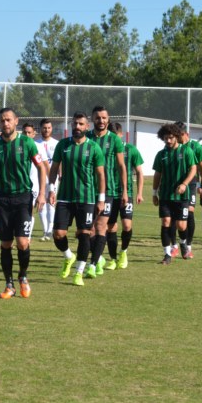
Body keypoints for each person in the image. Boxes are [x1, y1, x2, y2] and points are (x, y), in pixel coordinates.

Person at [0, 108, 47, 298]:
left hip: (23, 198)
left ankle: (23, 276)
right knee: (5, 244)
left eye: (9, 120)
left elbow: (42, 168)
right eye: (2, 120)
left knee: (22, 242)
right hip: (2, 199)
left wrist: (42, 193)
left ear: (16, 121)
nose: (5, 124)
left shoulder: (27, 143)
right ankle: (9, 284)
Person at [48, 112, 106, 286]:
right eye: (75, 123)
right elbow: (54, 169)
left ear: (86, 127)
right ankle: (68, 256)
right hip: (65, 197)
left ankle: (79, 272)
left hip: (86, 198)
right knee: (58, 234)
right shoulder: (63, 145)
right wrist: (51, 189)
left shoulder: (94, 148)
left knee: (85, 234)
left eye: (81, 124)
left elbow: (101, 175)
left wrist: (101, 199)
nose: (77, 127)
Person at [86, 106, 127, 279]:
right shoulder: (86, 138)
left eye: (104, 118)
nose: (101, 121)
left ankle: (93, 265)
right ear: (92, 119)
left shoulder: (114, 140)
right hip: (87, 190)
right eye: (97, 118)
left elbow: (121, 166)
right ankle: (99, 257)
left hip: (108, 190)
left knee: (101, 225)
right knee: (88, 230)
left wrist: (124, 191)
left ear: (108, 120)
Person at [152, 123, 197, 265]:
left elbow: (193, 169)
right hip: (165, 195)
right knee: (166, 222)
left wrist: (184, 184)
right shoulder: (161, 154)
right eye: (166, 138)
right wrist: (154, 192)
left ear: (176, 137)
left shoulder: (187, 151)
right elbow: (157, 174)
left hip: (182, 196)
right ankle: (167, 254)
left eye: (171, 138)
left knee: (182, 226)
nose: (169, 141)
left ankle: (183, 243)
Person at [109, 122, 144, 269]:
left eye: (116, 136)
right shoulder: (105, 149)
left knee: (127, 224)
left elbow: (140, 172)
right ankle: (112, 258)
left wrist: (140, 193)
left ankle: (123, 252)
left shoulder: (131, 150)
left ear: (121, 135)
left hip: (126, 192)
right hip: (109, 192)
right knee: (110, 227)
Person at [175, 121, 202, 259]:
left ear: (186, 134)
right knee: (173, 217)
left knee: (190, 213)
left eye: (180, 135)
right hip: (174, 184)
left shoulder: (195, 146)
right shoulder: (172, 146)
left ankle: (188, 245)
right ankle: (174, 246)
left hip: (191, 184)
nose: (178, 137)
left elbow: (201, 167)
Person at [35, 118, 59, 241]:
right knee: (41, 204)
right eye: (44, 128)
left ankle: (50, 230)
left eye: (49, 127)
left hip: (53, 178)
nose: (47, 130)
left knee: (51, 203)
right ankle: (45, 230)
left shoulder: (56, 143)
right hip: (39, 178)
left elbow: (59, 163)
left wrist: (60, 176)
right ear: (40, 129)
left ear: (51, 129)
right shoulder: (36, 143)